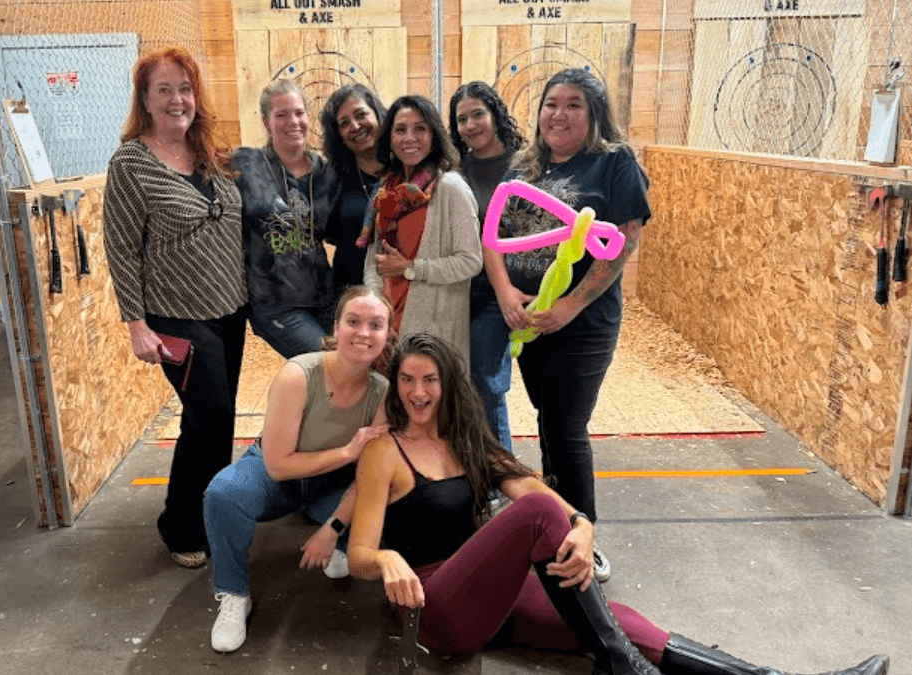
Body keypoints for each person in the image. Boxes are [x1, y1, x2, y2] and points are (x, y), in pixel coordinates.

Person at [348, 333, 889, 675]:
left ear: (450, 386)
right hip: (435, 607)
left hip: (491, 593)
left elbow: (534, 489)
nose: (419, 392)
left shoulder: (469, 440)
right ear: (395, 387)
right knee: (539, 522)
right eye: (408, 380)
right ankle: (619, 666)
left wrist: (581, 525)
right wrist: (386, 559)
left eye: (431, 380)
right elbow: (359, 555)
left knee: (622, 621)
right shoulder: (384, 451)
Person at [489, 68, 649, 577]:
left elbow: (623, 242)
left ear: (595, 114)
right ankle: (559, 519)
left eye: (574, 104)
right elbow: (500, 235)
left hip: (581, 324)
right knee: (547, 421)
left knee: (566, 425)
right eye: (551, 104)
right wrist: (509, 295)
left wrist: (571, 305)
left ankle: (586, 539)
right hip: (530, 321)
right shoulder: (527, 165)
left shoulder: (614, 164)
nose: (559, 114)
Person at [103, 46, 247, 569]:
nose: (177, 99)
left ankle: (217, 511)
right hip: (175, 316)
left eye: (184, 88)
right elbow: (120, 246)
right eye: (163, 89)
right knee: (206, 418)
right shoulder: (131, 163)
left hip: (230, 310)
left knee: (221, 418)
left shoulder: (210, 150)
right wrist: (136, 325)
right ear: (144, 98)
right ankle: (181, 526)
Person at [203, 285, 392, 653]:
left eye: (376, 325)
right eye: (353, 322)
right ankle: (233, 593)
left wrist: (332, 529)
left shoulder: (381, 391)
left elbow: (370, 477)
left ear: (387, 334)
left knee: (383, 521)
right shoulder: (298, 374)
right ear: (336, 327)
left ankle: (332, 534)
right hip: (278, 475)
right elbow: (277, 465)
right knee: (223, 494)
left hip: (331, 482)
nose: (364, 333)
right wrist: (347, 452)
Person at [360, 95, 482, 366]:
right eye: (400, 130)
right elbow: (373, 260)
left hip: (433, 329)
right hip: (390, 325)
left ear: (434, 135)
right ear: (389, 138)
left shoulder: (451, 188)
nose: (409, 138)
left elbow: (470, 261)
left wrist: (412, 268)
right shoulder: (387, 188)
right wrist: (379, 316)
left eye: (420, 129)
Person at [233, 78, 337, 358]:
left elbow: (336, 231)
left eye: (299, 112)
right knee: (327, 364)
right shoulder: (244, 164)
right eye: (281, 114)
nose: (293, 121)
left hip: (326, 298)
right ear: (267, 123)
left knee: (346, 372)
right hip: (275, 302)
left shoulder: (326, 173)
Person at [448, 81, 526, 457]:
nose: (471, 124)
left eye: (478, 113)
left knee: (487, 381)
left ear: (495, 113)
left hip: (504, 292)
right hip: (462, 289)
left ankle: (501, 473)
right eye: (462, 119)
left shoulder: (526, 165)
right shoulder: (455, 169)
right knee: (463, 380)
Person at [320, 84, 388, 296]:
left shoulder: (406, 167)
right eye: (344, 123)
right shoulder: (333, 178)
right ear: (338, 135)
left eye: (361, 115)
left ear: (377, 114)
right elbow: (329, 233)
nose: (355, 126)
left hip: (406, 288)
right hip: (352, 292)